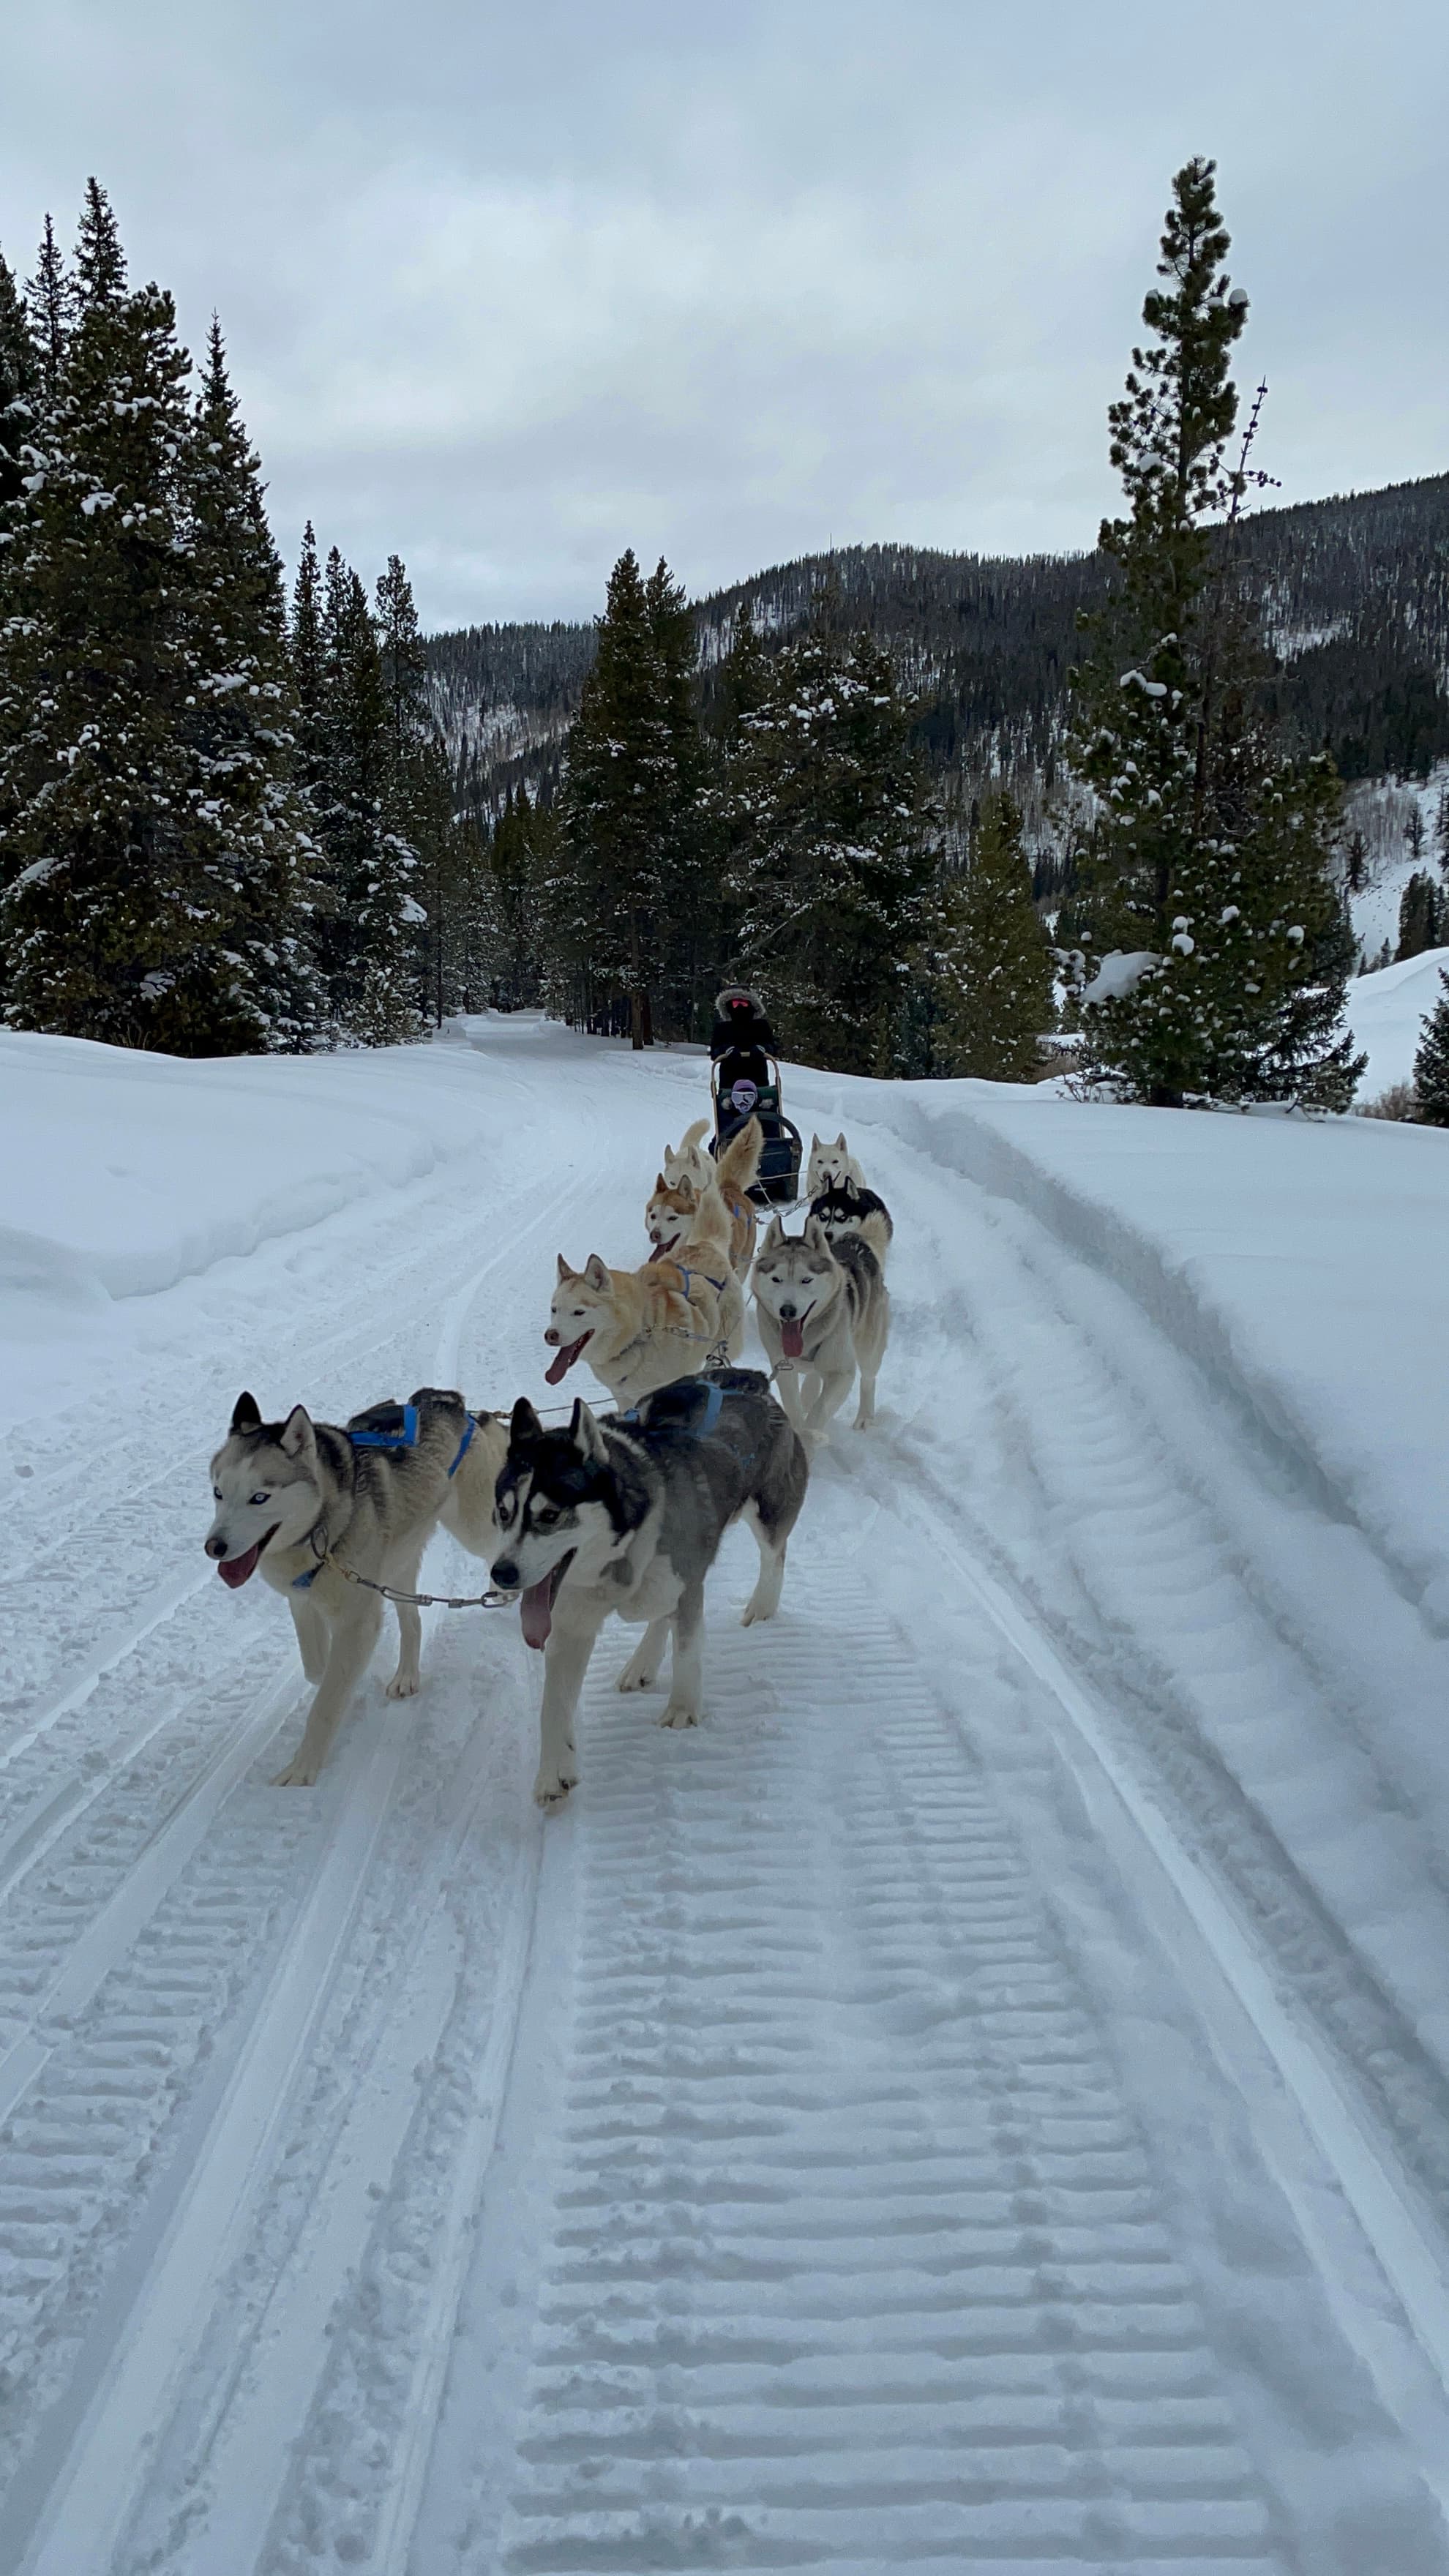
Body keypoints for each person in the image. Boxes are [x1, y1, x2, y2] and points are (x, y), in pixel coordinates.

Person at [710, 987, 776, 1103]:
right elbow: (714, 1053)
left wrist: (762, 1049)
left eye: (743, 1003)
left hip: (758, 1079)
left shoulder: (761, 1026)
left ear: (751, 1005)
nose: (739, 1008)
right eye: (735, 1004)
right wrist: (725, 1050)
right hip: (729, 1081)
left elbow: (773, 1048)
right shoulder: (722, 1028)